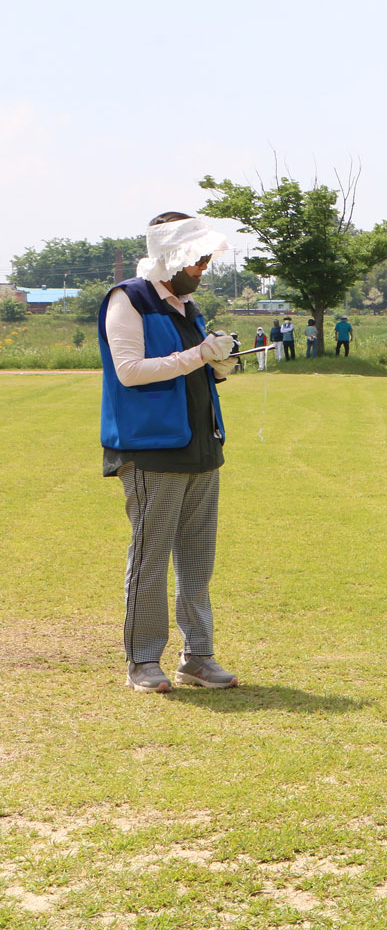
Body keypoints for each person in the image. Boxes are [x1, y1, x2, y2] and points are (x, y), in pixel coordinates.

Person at [98, 211, 241, 693]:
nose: (202, 269)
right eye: (197, 260)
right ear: (171, 256)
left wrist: (220, 365)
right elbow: (129, 371)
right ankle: (142, 660)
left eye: (206, 260)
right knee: (151, 559)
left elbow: (194, 369)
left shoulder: (188, 307)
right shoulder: (128, 299)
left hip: (201, 445)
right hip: (151, 449)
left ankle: (197, 656)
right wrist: (199, 355)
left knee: (198, 562)